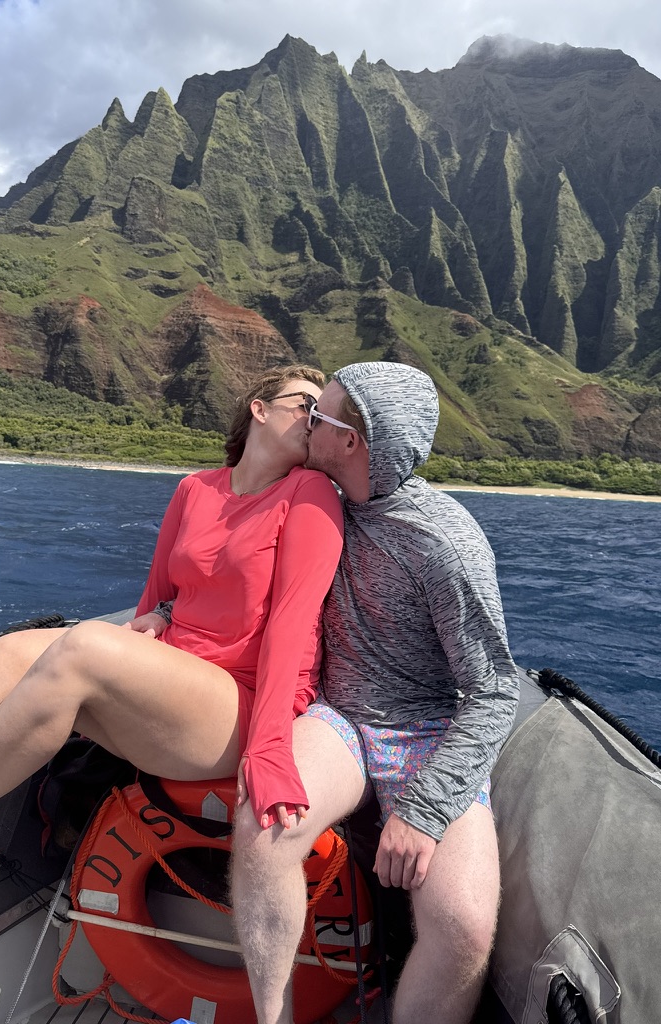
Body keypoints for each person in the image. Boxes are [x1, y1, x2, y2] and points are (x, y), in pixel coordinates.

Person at [0, 365, 344, 857]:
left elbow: (292, 625)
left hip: (242, 705)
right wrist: (161, 617)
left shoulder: (309, 493)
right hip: (171, 680)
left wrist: (270, 748)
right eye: (305, 406)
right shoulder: (196, 489)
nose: (315, 420)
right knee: (12, 651)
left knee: (84, 647)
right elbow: (155, 599)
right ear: (260, 410)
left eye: (321, 414)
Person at [231, 362, 520, 1024]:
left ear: (351, 442)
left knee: (464, 929)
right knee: (265, 825)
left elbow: (496, 691)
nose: (307, 421)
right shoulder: (311, 497)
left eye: (320, 417)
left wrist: (423, 811)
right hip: (339, 717)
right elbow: (227, 556)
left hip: (425, 733)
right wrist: (162, 606)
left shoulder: (445, 545)